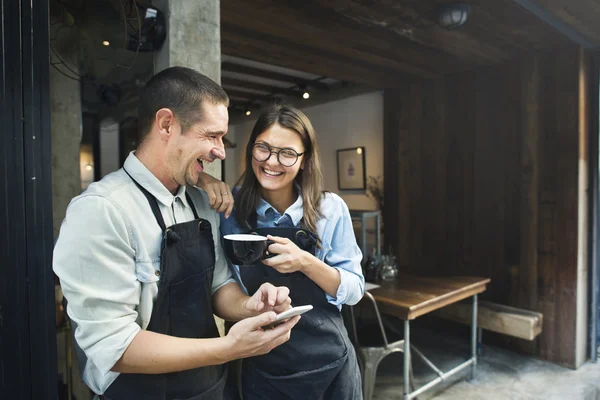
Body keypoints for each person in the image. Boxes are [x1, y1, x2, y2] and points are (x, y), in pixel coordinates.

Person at [53, 67, 300, 400]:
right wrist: (229, 347)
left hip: (209, 389)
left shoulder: (202, 203)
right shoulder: (101, 211)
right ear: (167, 124)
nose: (221, 151)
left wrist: (251, 306)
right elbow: (115, 347)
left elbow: (218, 285)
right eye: (211, 136)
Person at [199, 103, 365, 399]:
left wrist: (305, 262)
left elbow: (354, 290)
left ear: (304, 160)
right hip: (259, 361)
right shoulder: (228, 209)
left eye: (287, 153)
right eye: (263, 148)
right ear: (251, 150)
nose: (272, 162)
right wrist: (202, 179)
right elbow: (220, 284)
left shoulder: (330, 209)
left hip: (329, 362)